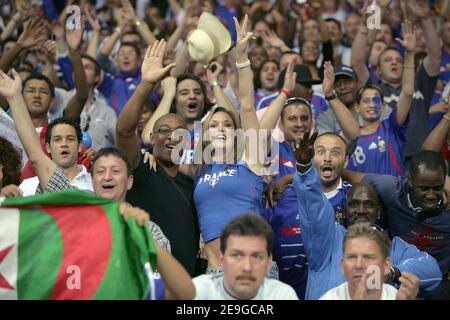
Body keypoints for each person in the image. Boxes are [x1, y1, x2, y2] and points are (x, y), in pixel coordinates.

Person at [0, 68, 194, 300]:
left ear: (130, 181)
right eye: (100, 171)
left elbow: (170, 293)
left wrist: (140, 234)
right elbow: (37, 156)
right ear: (92, 180)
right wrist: (14, 97)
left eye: (116, 171)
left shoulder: (149, 231)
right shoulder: (78, 209)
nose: (107, 176)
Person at [292, 132, 442, 300]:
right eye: (354, 204)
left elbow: (432, 271)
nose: (361, 210)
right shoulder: (328, 238)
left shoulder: (394, 247)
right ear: (343, 210)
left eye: (369, 204)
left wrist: (392, 273)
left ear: (379, 212)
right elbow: (313, 204)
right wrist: (305, 168)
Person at [116, 39, 200, 277]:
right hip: (146, 281)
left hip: (187, 287)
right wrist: (147, 84)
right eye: (164, 131)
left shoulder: (194, 183)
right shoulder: (141, 171)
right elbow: (123, 130)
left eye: (179, 132)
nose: (172, 137)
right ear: (152, 137)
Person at [344, 149, 450, 278]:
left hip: (438, 281)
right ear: (410, 181)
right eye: (424, 188)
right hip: (397, 276)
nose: (431, 195)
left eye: (437, 188)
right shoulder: (392, 190)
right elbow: (351, 176)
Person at [347, 20, 416, 177]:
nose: (372, 104)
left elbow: (407, 93)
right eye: (366, 100)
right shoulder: (348, 136)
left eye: (376, 100)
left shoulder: (392, 128)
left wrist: (410, 54)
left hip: (392, 197)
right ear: (357, 108)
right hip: (361, 198)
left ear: (384, 107)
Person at [192, 213, 298, 300]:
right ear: (222, 260)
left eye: (257, 257)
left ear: (269, 263)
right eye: (237, 255)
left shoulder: (281, 295)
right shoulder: (199, 291)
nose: (247, 267)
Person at [320, 222, 420, 300]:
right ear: (342, 265)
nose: (359, 265)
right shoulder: (329, 298)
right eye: (352, 257)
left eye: (368, 257)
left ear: (386, 266)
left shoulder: (399, 298)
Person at [19, 117, 93, 196]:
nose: (64, 144)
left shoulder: (95, 185)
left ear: (80, 146)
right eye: (57, 140)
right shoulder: (28, 187)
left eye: (70, 139)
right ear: (48, 148)